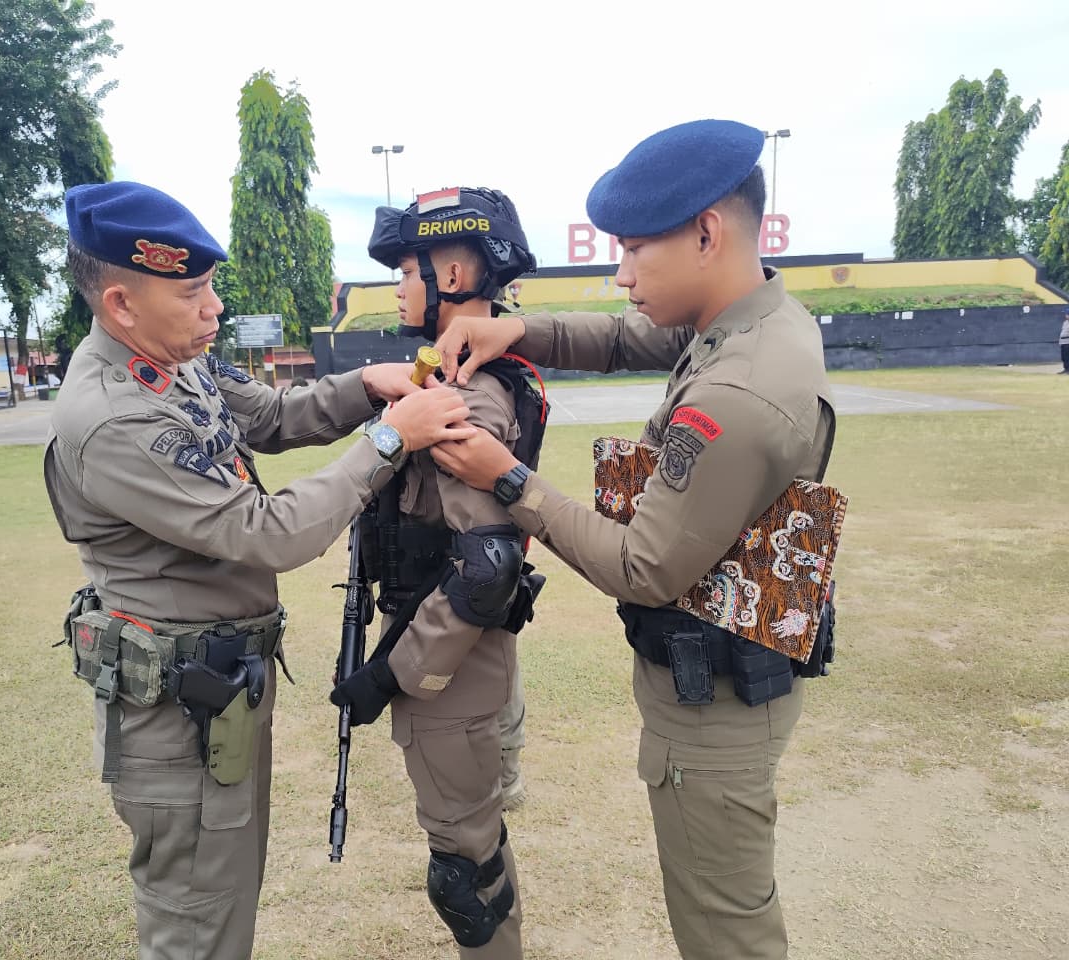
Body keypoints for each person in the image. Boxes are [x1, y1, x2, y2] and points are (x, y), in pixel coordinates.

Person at [429, 120, 837, 960]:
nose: (620, 275)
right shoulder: (748, 319)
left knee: (725, 930)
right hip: (724, 681)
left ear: (705, 233)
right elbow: (624, 335)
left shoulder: (740, 391)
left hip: (717, 709)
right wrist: (516, 329)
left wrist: (508, 478)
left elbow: (641, 566)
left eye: (634, 252)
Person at [43, 180, 475, 960]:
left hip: (218, 701)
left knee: (224, 901)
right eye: (194, 292)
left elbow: (271, 417)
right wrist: (388, 439)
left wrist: (366, 387)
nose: (213, 308)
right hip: (177, 725)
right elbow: (268, 533)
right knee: (197, 926)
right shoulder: (115, 417)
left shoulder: (172, 364)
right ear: (121, 303)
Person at [329, 187, 544, 958]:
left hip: (451, 672)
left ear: (453, 271)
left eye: (408, 269)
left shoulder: (466, 394)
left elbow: (486, 568)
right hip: (445, 660)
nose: (397, 285)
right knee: (473, 846)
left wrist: (389, 674)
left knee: (466, 870)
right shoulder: (447, 380)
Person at [1059, 308, 1068, 373]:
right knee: (1064, 357)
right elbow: (1062, 332)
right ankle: (1066, 369)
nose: (1065, 315)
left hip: (1068, 341)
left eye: (1066, 314)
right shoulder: (1065, 322)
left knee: (1068, 357)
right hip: (1063, 342)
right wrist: (1060, 342)